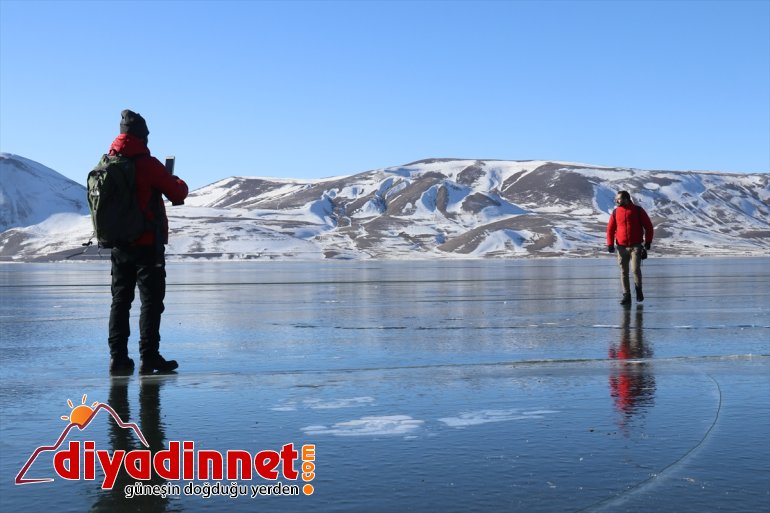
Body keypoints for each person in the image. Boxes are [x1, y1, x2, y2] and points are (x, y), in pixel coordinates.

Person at [107, 110, 188, 375]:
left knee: (120, 301)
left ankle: (118, 359)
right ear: (142, 135)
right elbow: (176, 191)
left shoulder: (108, 162)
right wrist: (175, 179)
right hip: (146, 247)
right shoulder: (147, 164)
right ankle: (149, 357)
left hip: (119, 245)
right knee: (151, 303)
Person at [606, 190, 654, 306]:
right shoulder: (615, 213)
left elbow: (649, 227)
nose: (616, 201)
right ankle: (626, 296)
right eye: (616, 199)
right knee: (623, 272)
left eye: (619, 199)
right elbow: (610, 230)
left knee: (635, 269)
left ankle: (638, 290)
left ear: (626, 199)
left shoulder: (637, 210)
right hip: (621, 247)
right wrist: (610, 244)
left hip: (636, 246)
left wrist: (648, 242)